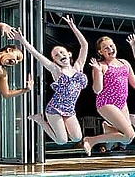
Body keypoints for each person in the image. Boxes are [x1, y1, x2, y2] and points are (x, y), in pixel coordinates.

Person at [13, 15, 90, 154]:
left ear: (69, 54)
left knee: (77, 137)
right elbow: (36, 54)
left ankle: (59, 126)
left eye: (61, 52)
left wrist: (73, 27)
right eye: (56, 55)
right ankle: (40, 120)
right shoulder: (56, 70)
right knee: (61, 141)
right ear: (54, 61)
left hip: (70, 110)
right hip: (54, 109)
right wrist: (22, 40)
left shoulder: (78, 67)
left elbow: (84, 45)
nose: (60, 55)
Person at [82, 36, 135, 155]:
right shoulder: (100, 65)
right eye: (105, 48)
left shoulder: (124, 63)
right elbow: (97, 90)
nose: (110, 48)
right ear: (100, 52)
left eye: (111, 45)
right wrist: (97, 71)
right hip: (106, 103)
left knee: (127, 138)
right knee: (130, 134)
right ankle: (91, 140)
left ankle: (108, 128)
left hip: (122, 103)